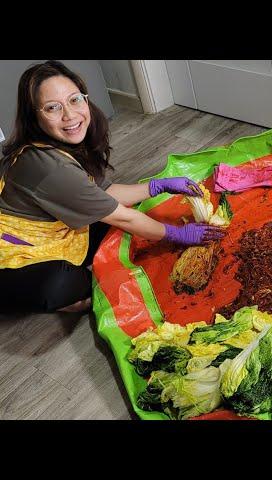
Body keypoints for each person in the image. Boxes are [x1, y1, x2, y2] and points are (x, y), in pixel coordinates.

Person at [0, 60, 224, 313]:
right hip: (11, 255)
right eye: (53, 107)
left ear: (85, 98)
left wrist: (157, 187)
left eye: (74, 100)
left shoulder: (63, 144)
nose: (69, 115)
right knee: (64, 283)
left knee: (114, 224)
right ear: (34, 116)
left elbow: (103, 194)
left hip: (52, 230)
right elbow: (124, 217)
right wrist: (177, 234)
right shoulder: (49, 166)